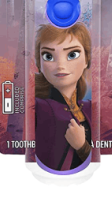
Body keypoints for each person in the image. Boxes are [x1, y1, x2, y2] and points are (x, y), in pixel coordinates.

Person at [34, 22, 92, 172]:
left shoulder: (90, 108)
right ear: (39, 64)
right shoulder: (38, 107)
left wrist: (82, 146)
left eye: (72, 55)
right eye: (48, 56)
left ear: (86, 60)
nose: (60, 65)